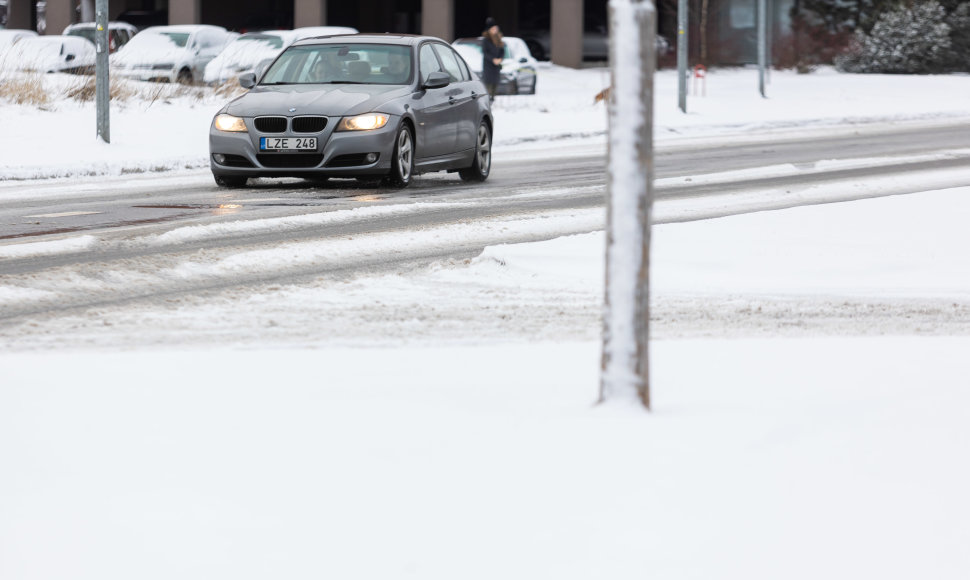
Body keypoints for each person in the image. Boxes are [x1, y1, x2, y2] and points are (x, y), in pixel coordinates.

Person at [481, 16, 504, 101]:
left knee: (495, 84)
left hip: (496, 67)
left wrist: (500, 59)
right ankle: (488, 99)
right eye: (493, 29)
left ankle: (493, 98)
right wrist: (493, 59)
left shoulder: (499, 39)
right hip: (488, 67)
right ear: (489, 30)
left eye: (496, 28)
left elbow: (502, 51)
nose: (495, 30)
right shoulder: (485, 40)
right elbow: (485, 52)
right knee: (488, 85)